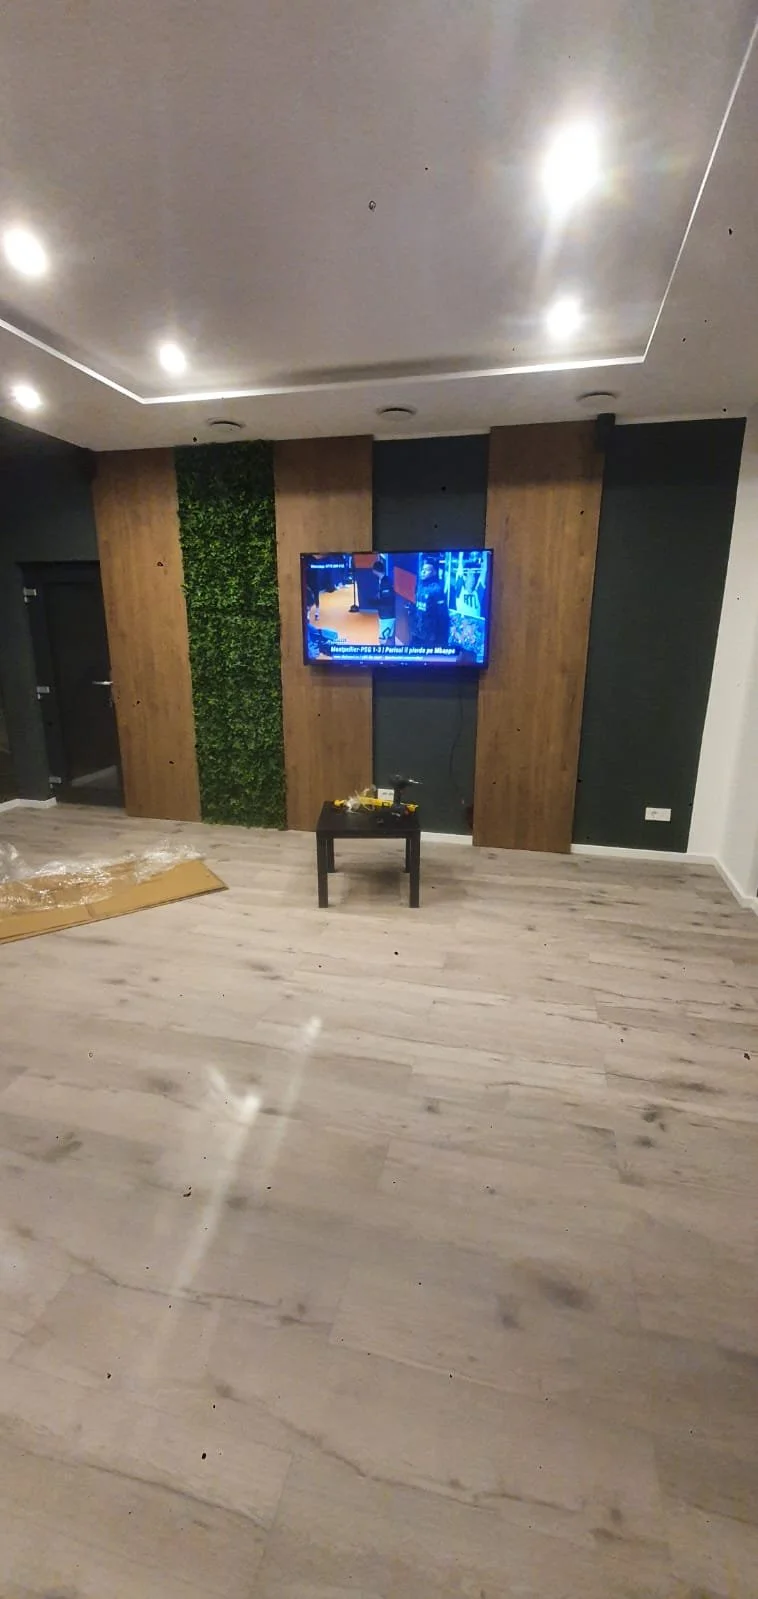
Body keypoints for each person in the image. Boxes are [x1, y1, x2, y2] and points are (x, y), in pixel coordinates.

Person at [412, 555, 449, 649]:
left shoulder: (437, 590)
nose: (423, 572)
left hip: (430, 637)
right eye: (422, 569)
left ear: (434, 573)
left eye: (427, 570)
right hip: (417, 633)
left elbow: (442, 616)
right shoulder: (420, 587)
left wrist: (438, 638)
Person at [373, 558, 395, 642]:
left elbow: (387, 599)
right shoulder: (381, 581)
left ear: (375, 571)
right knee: (387, 637)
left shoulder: (387, 582)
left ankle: (383, 654)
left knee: (383, 639)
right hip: (383, 614)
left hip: (387, 615)